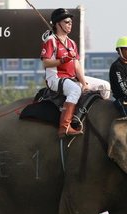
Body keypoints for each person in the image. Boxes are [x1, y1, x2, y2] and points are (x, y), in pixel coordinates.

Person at [41, 8, 110, 137]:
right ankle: (65, 126)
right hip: (55, 78)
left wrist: (84, 83)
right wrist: (63, 59)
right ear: (57, 24)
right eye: (66, 22)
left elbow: (76, 65)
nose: (70, 24)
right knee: (75, 90)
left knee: (105, 86)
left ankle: (98, 118)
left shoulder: (72, 43)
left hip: (72, 78)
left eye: (70, 22)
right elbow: (45, 63)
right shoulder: (50, 40)